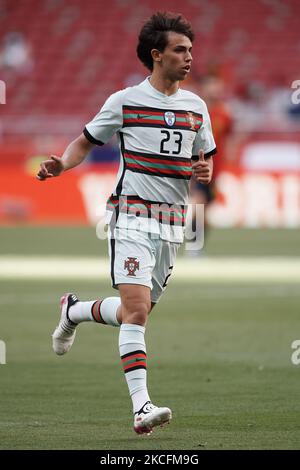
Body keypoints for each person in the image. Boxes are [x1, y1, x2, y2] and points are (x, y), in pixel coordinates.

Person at [37, 12, 216, 435]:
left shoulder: (197, 106)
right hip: (132, 216)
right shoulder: (124, 101)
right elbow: (85, 141)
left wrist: (202, 168)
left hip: (172, 224)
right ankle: (141, 407)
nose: (189, 57)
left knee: (133, 313)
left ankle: (74, 310)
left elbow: (202, 154)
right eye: (179, 50)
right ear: (156, 55)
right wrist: (62, 164)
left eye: (190, 50)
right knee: (136, 312)